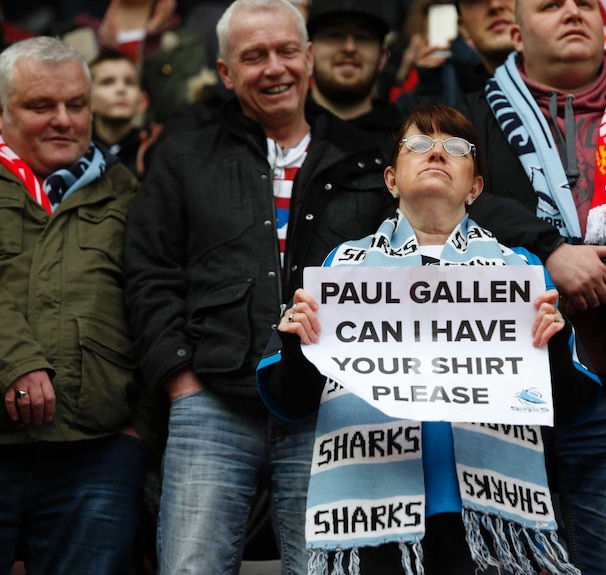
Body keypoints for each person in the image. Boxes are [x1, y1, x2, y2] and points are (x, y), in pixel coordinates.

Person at [257, 102, 596, 575]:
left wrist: (555, 344)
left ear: (475, 187)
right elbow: (291, 399)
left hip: (488, 525)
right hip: (372, 523)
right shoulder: (341, 268)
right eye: (419, 144)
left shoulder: (521, 271)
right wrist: (297, 340)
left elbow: (567, 404)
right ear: (392, 179)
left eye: (455, 148)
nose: (437, 153)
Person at [122, 0, 394, 573]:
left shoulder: (369, 158)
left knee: (325, 570)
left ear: (309, 58)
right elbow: (150, 272)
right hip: (211, 401)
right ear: (225, 72)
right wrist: (179, 377)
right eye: (254, 56)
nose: (275, 67)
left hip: (330, 406)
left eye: (286, 51)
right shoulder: (183, 155)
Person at [459, 1, 606, 572]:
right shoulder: (465, 118)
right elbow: (449, 199)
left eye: (585, 2)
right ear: (514, 30)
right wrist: (549, 253)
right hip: (508, 387)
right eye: (550, 5)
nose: (573, 12)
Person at [0, 36, 159, 574]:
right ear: (2, 111)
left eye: (76, 105)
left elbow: (155, 303)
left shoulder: (127, 192)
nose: (63, 120)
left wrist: (137, 431)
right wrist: (15, 358)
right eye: (41, 107)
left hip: (98, 456)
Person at [304, 0, 403, 154]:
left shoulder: (406, 141)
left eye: (363, 37)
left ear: (383, 57)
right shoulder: (278, 130)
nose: (349, 48)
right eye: (334, 35)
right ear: (308, 52)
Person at [90, 49, 162, 178]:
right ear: (87, 102)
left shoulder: (153, 147)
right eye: (108, 82)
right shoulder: (78, 150)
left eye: (129, 82)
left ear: (142, 102)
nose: (121, 89)